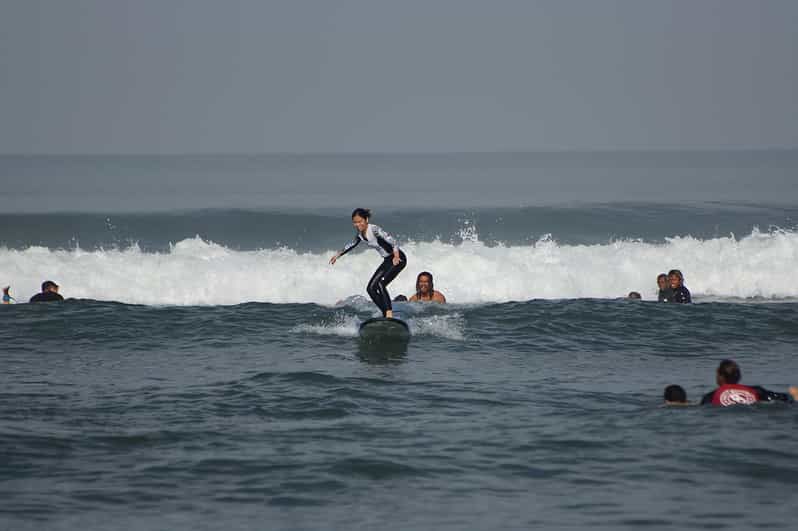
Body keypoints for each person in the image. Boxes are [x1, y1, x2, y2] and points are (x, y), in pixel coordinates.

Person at [330, 208, 407, 318]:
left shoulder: (374, 229)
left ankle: (389, 314)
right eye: (355, 222)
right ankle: (385, 312)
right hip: (387, 260)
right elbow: (352, 244)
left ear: (366, 219)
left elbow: (393, 242)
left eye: (360, 221)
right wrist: (338, 255)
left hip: (398, 259)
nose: (358, 224)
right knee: (370, 288)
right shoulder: (360, 234)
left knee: (381, 284)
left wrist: (396, 256)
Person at [700, 359, 795, 406]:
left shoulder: (709, 396)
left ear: (719, 374)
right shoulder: (756, 390)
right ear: (739, 376)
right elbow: (784, 398)